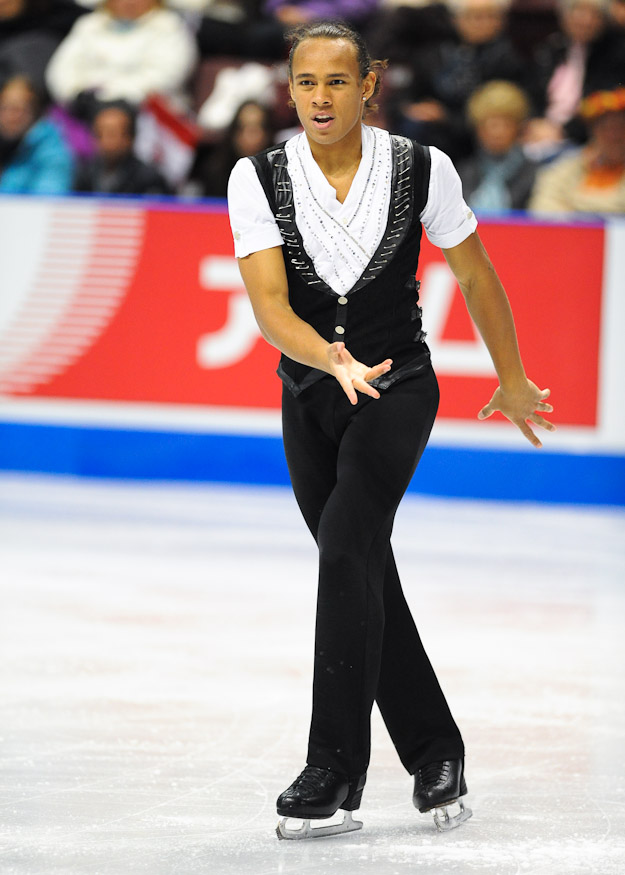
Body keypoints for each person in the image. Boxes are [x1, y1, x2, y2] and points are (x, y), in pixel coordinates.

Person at [227, 20, 555, 840]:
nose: (320, 98)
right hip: (309, 394)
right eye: (306, 83)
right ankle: (437, 751)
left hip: (398, 388)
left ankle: (332, 768)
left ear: (369, 82)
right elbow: (269, 307)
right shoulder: (256, 177)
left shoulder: (419, 166)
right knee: (362, 568)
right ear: (289, 86)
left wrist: (510, 378)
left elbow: (474, 272)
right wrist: (326, 359)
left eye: (337, 81)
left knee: (344, 548)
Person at [45, 0, 198, 118]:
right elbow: (61, 69)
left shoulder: (169, 26)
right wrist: (76, 94)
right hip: (83, 108)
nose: (129, 2)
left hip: (145, 113)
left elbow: (166, 76)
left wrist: (108, 98)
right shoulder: (89, 25)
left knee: (113, 124)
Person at [529, 85, 625, 213]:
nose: (613, 136)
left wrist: (575, 209)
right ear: (593, 133)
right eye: (605, 128)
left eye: (620, 127)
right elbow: (543, 208)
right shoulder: (567, 169)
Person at [458, 80, 537, 211]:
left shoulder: (534, 174)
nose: (497, 133)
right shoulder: (464, 173)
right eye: (491, 125)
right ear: (478, 129)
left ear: (518, 128)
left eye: (506, 125)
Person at [73, 100, 170, 195]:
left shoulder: (149, 179)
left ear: (129, 138)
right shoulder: (86, 174)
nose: (104, 141)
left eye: (111, 134)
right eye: (99, 134)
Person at [0, 73, 73, 193]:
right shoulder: (5, 144)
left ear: (34, 113)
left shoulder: (53, 151)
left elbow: (46, 201)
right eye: (4, 108)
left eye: (18, 110)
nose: (10, 117)